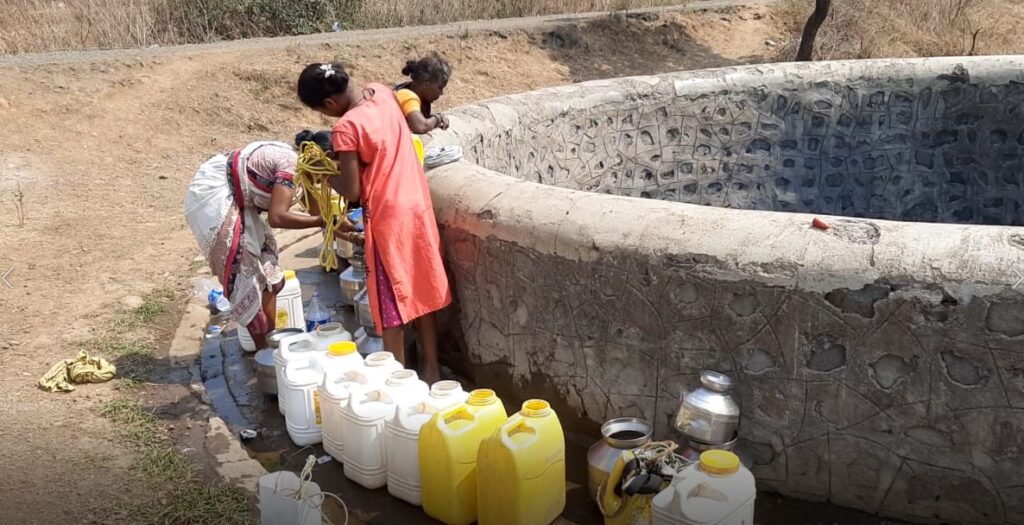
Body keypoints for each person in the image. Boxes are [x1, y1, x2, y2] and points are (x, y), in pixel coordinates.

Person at [296, 62, 452, 382]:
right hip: (416, 205)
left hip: (387, 217)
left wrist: (323, 173)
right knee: (422, 289)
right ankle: (432, 370)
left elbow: (352, 189)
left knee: (391, 303)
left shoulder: (346, 128)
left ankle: (398, 381)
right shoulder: (381, 92)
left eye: (322, 112)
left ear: (329, 103)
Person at [184, 139, 352, 352]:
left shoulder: (308, 172)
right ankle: (265, 353)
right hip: (216, 196)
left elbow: (317, 215)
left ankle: (273, 341)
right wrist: (326, 222)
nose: (339, 177)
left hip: (241, 201)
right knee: (246, 275)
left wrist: (350, 234)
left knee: (268, 269)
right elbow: (277, 217)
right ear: (325, 157)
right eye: (339, 168)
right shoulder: (291, 166)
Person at [395, 54, 452, 134]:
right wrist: (437, 119)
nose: (441, 93)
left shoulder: (423, 100)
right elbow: (421, 126)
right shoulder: (406, 95)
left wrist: (432, 118)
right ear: (425, 83)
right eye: (440, 88)